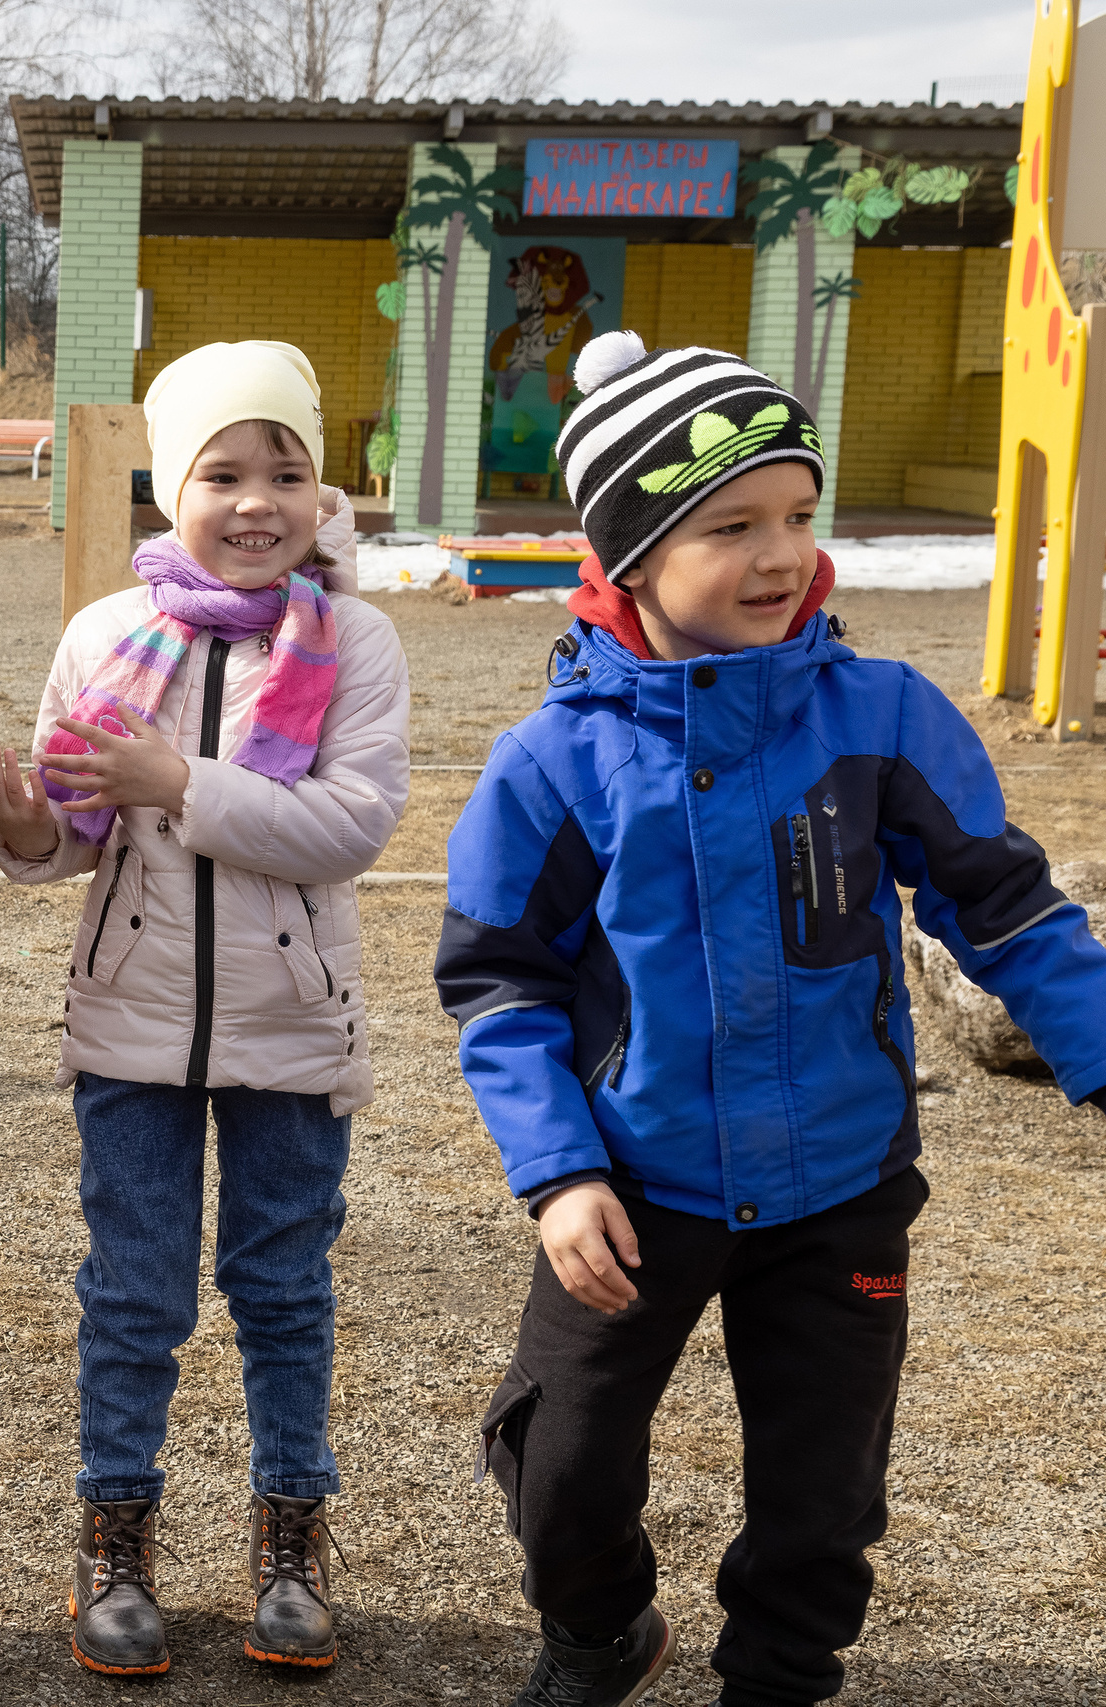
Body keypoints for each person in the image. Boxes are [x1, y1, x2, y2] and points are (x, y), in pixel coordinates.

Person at [437, 331, 1106, 1707]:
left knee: (821, 1501)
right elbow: (499, 984)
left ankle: (779, 1681)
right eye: (729, 525)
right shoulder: (556, 761)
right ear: (629, 557)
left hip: (840, 1189)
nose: (779, 553)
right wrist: (559, 1175)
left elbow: (1008, 909)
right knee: (560, 1469)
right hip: (637, 1187)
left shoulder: (883, 715)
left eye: (798, 515)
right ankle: (601, 1630)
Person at [0, 340, 412, 1678]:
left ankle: (292, 1543)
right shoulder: (104, 638)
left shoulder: (356, 639)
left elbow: (350, 827)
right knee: (132, 1297)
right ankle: (115, 1543)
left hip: (292, 1032)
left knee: (282, 1294)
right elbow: (74, 842)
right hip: (131, 1029)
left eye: (287, 467)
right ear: (171, 485)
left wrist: (179, 779)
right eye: (224, 469)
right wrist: (23, 830)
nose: (257, 498)